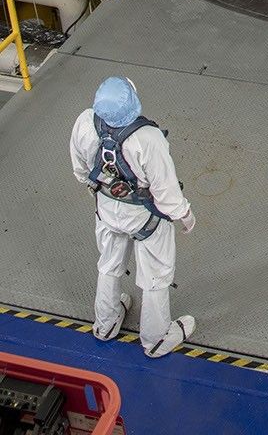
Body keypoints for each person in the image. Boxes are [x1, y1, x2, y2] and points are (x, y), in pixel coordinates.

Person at [69, 76, 196, 356]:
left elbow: (81, 170)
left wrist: (102, 194)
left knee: (109, 263)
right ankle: (156, 338)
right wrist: (185, 214)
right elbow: (165, 190)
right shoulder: (148, 138)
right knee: (155, 276)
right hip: (144, 217)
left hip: (106, 210)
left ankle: (106, 324)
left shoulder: (85, 122)